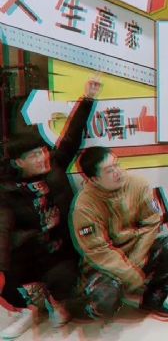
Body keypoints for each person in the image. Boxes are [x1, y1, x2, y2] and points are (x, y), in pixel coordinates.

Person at [0, 77, 100, 339]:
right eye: (34, 155)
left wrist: (88, 99)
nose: (43, 157)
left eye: (43, 151)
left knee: (65, 281)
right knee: (9, 272)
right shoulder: (8, 189)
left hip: (60, 250)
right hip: (28, 252)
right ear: (19, 162)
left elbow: (71, 138)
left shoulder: (54, 167)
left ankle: (55, 300)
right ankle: (26, 309)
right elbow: (3, 227)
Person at [70, 146, 168, 322]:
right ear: (94, 179)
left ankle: (152, 302)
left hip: (137, 253)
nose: (118, 172)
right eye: (109, 171)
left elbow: (152, 222)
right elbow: (98, 251)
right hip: (106, 266)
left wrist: (137, 260)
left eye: (116, 165)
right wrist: (130, 274)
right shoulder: (84, 206)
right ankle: (84, 309)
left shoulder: (138, 184)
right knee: (105, 298)